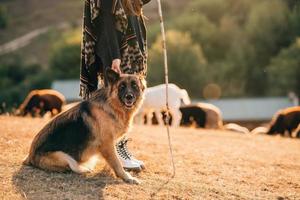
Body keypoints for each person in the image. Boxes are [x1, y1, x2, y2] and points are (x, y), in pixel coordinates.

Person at [80, 0, 151, 171]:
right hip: (116, 51)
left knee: (127, 105)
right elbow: (106, 21)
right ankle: (117, 153)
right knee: (115, 104)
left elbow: (139, 2)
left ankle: (121, 149)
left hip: (131, 51)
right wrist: (114, 56)